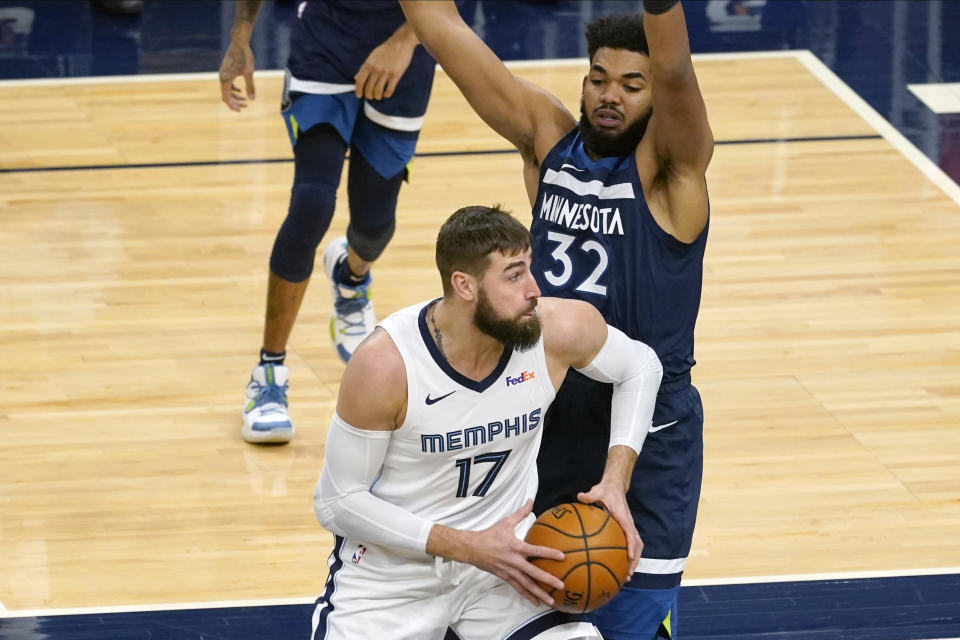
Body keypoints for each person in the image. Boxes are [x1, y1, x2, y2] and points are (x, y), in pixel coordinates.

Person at [399, 2, 713, 639]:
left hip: (647, 425)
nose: (609, 96)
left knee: (624, 617)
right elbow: (446, 32)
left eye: (632, 84)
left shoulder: (671, 173)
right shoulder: (550, 139)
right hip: (546, 413)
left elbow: (677, 68)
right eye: (598, 79)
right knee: (525, 609)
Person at [311, 205, 663, 640]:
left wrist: (615, 480)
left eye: (530, 269)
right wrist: (468, 547)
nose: (534, 288)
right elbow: (336, 501)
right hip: (393, 579)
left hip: (505, 570)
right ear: (464, 285)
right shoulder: (387, 365)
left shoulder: (553, 331)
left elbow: (641, 367)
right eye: (514, 276)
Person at [218, 0, 436, 443]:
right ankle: (269, 374)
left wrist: (405, 40)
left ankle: (351, 277)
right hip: (325, 45)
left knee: (375, 224)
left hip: (406, 57)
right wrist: (240, 36)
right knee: (312, 203)